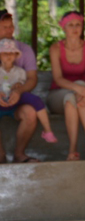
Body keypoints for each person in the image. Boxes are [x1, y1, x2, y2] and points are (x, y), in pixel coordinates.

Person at [48, 11, 85, 161]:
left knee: (71, 97)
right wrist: (80, 88)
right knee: (74, 89)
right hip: (57, 96)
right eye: (70, 25)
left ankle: (72, 150)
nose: (75, 28)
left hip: (83, 97)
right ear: (64, 28)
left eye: (78, 24)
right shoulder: (55, 49)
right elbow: (58, 79)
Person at [0, 10, 41, 162]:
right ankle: (0, 155)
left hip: (18, 101)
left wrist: (19, 90)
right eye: (4, 27)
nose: (9, 30)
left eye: (11, 26)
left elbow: (32, 78)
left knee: (30, 113)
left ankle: (19, 154)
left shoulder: (24, 49)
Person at [0, 38, 57, 146]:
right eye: (5, 53)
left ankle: (48, 130)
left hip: (14, 101)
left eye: (12, 53)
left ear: (16, 55)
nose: (9, 55)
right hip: (1, 103)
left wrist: (18, 87)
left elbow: (22, 84)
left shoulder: (20, 72)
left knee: (35, 99)